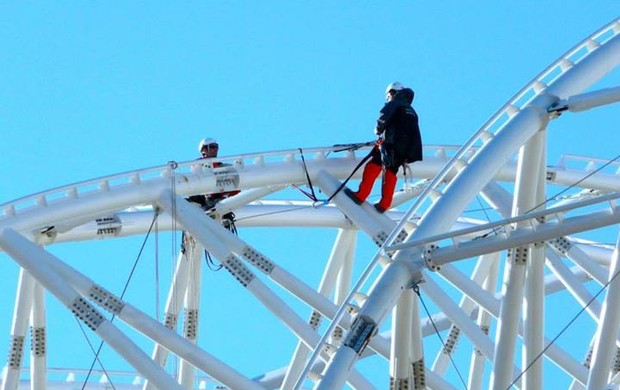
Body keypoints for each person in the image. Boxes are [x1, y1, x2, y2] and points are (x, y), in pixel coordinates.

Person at [345, 81, 423, 213]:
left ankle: (361, 195)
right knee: (391, 170)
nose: (388, 99)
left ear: (393, 93)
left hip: (390, 144)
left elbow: (383, 117)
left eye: (388, 96)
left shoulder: (395, 104)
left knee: (374, 165)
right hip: (405, 150)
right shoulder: (411, 111)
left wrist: (378, 130)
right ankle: (384, 204)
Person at [187, 138, 240, 213]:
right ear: (204, 150)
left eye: (216, 146)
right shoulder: (198, 164)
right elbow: (200, 180)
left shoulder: (222, 166)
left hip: (220, 196)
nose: (215, 149)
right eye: (212, 146)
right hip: (206, 197)